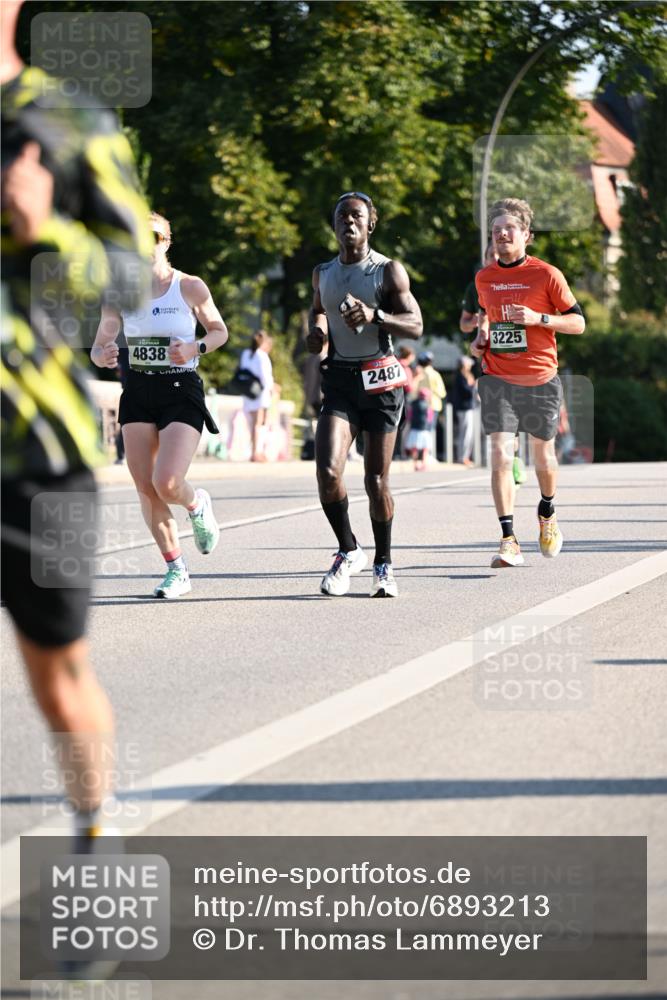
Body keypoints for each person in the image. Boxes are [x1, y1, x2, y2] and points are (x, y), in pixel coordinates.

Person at [1, 0, 151, 850]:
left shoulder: (69, 118)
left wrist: (47, 228)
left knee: (58, 677)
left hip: (38, 455)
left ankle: (97, 841)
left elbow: (133, 281)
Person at [92, 211, 229, 599]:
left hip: (180, 388)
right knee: (145, 488)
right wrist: (100, 354)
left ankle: (197, 502)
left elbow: (219, 331)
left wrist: (195, 346)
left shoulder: (189, 286)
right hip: (137, 389)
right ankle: (176, 570)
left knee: (166, 482)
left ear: (166, 242)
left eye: (153, 236)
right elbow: (102, 339)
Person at [307, 191, 423, 598]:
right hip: (339, 379)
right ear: (334, 224)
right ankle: (348, 549)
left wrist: (377, 316)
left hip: (380, 382)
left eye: (357, 216)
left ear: (370, 224)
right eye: (341, 216)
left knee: (376, 480)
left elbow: (416, 324)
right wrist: (318, 333)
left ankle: (384, 564)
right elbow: (318, 309)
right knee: (327, 472)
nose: (348, 222)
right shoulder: (322, 272)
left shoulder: (387, 271)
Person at [471, 197, 585, 567]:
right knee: (502, 455)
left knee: (543, 457)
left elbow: (578, 323)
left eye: (510, 229)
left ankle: (547, 512)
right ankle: (508, 539)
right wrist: (481, 338)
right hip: (497, 378)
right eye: (496, 230)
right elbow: (489, 321)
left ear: (526, 235)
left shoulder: (547, 275)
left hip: (539, 378)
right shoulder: (484, 278)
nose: (502, 234)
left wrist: (539, 318)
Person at [240, 330, 275, 462]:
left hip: (248, 391)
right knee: (258, 423)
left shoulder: (246, 354)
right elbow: (266, 377)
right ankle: (256, 452)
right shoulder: (262, 356)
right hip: (260, 393)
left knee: (253, 424)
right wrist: (272, 389)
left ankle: (255, 450)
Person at [413, 351, 446, 459]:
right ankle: (428, 455)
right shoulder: (435, 374)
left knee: (418, 430)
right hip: (433, 406)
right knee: (429, 431)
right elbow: (442, 393)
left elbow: (413, 391)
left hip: (419, 406)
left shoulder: (418, 373)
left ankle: (417, 455)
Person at [459, 243, 497, 334]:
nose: (496, 258)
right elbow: (463, 325)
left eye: (501, 254)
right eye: (492, 255)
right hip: (486, 345)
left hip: (521, 346)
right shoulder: (474, 287)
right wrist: (472, 322)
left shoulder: (521, 283)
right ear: (485, 261)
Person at [453, 356, 476, 466]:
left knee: (466, 433)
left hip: (466, 408)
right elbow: (466, 392)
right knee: (466, 433)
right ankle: (463, 457)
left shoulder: (464, 375)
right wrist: (473, 386)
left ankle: (464, 456)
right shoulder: (461, 376)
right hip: (464, 408)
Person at [405, 388, 433, 470]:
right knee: (425, 448)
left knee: (414, 448)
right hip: (424, 429)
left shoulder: (413, 404)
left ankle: (416, 464)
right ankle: (424, 463)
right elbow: (429, 418)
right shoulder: (428, 405)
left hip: (414, 429)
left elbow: (409, 417)